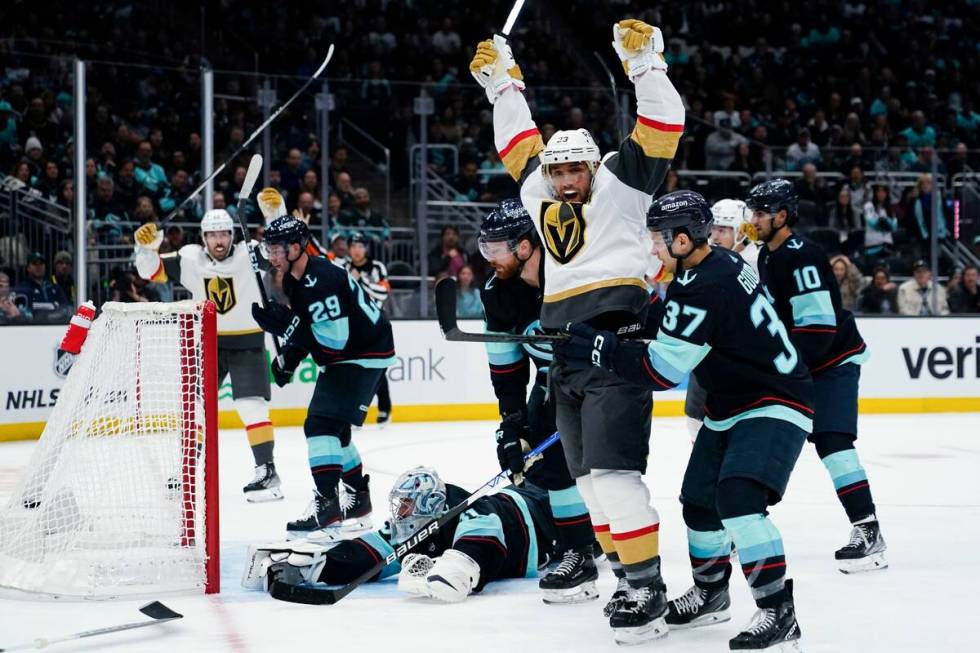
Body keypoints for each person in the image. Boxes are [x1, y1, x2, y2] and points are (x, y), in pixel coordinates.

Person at [471, 19, 683, 644]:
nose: (563, 179)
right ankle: (623, 575)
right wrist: (500, 83)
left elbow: (663, 125)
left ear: (594, 166)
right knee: (589, 483)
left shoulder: (622, 184)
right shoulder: (539, 192)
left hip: (616, 349)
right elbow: (518, 138)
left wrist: (645, 67)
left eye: (573, 169)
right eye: (556, 170)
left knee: (616, 478)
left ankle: (647, 586)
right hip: (565, 357)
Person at [559, 190, 812, 651]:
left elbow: (661, 371)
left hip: (775, 399)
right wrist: (630, 326)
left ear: (680, 240)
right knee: (698, 500)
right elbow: (685, 323)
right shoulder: (712, 266)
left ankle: (778, 609)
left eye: (657, 239)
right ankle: (713, 594)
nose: (652, 248)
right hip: (733, 401)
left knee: (737, 498)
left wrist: (601, 347)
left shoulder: (702, 285)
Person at [747, 179, 888, 573]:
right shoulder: (768, 255)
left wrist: (783, 369)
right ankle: (744, 524)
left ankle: (867, 528)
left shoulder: (801, 254)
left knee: (833, 443)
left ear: (781, 215)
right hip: (805, 364)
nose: (753, 220)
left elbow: (819, 327)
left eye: (760, 212)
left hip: (833, 362)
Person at [476, 199, 598, 604]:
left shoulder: (570, 272)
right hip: (551, 382)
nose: (489, 258)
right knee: (546, 465)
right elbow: (507, 368)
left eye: (497, 249)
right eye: (485, 248)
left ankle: (598, 538)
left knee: (606, 472)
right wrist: (511, 422)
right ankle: (578, 548)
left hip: (600, 380)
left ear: (525, 247)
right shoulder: (497, 292)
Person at [251, 216, 395, 539]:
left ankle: (327, 509)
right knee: (335, 432)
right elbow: (310, 330)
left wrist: (287, 328)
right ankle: (357, 501)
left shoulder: (322, 279)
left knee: (319, 425)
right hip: (359, 350)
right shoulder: (294, 280)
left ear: (296, 248)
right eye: (268, 249)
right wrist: (288, 357)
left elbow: (333, 344)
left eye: (275, 250)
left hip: (361, 352)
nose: (271, 257)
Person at [249, 465, 574, 604]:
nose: (400, 512)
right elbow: (372, 552)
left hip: (548, 515)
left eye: (405, 505)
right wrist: (314, 565)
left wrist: (453, 568)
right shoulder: (418, 520)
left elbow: (477, 558)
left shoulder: (473, 513)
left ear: (429, 503)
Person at [134, 210, 284, 502]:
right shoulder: (190, 258)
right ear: (204, 238)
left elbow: (278, 254)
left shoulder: (250, 253)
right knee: (196, 409)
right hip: (207, 344)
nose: (219, 240)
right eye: (213, 234)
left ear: (232, 235)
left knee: (251, 407)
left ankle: (267, 471)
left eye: (224, 233)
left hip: (247, 342)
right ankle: (187, 470)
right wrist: (145, 247)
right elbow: (147, 271)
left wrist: (276, 216)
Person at [684, 198, 759, 443]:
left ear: (743, 232)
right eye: (713, 229)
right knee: (696, 424)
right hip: (708, 359)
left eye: (724, 230)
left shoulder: (758, 263)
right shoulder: (709, 261)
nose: (715, 236)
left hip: (743, 366)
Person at [343, 232, 393, 424]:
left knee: (377, 367)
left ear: (366, 248)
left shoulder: (377, 267)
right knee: (352, 368)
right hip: (352, 325)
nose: (357, 250)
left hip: (375, 324)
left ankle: (384, 408)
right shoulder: (344, 267)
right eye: (353, 246)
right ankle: (352, 409)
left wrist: (360, 281)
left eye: (360, 246)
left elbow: (383, 292)